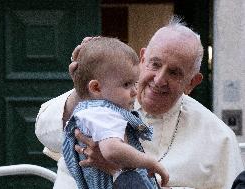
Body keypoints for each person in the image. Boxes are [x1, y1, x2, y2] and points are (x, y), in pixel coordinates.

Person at [35, 17, 244, 189]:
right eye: (155, 64)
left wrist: (119, 169)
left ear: (192, 82)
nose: (160, 79)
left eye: (174, 72)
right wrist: (81, 92)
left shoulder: (218, 138)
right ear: (142, 59)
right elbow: (46, 133)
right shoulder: (102, 98)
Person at [62, 37, 169, 189]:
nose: (134, 91)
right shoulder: (102, 113)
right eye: (126, 84)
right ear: (96, 88)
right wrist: (150, 162)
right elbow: (112, 150)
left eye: (135, 83)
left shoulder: (90, 112)